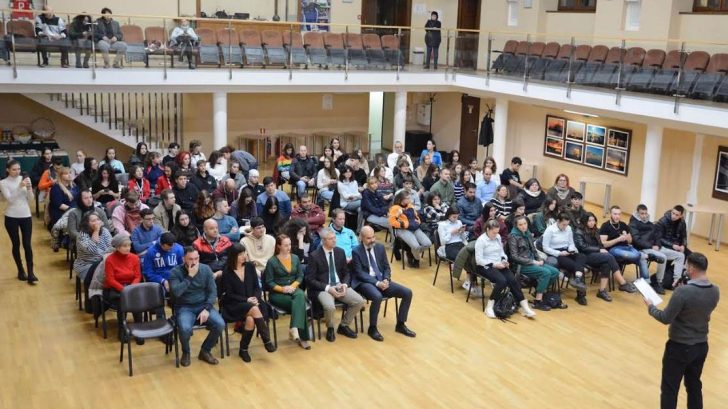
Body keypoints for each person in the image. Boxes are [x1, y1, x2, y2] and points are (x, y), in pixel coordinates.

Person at [644, 252, 719, 409]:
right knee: (694, 386)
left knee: (670, 389)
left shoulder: (683, 292)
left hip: (679, 347)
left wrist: (651, 307)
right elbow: (698, 309)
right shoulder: (715, 290)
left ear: (691, 268)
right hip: (701, 346)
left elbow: (665, 318)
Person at [351, 226, 416, 341]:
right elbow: (359, 273)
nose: (372, 240)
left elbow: (386, 267)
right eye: (368, 238)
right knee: (377, 297)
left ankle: (400, 324)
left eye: (373, 237)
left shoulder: (380, 247)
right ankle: (372, 328)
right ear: (361, 238)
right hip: (365, 282)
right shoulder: (356, 251)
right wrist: (377, 283)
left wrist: (386, 279)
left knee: (407, 292)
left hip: (381, 279)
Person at [305, 227, 366, 342]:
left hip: (339, 285)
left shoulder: (340, 252)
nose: (334, 240)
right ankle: (330, 328)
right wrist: (328, 288)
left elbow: (346, 272)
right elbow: (310, 279)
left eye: (334, 238)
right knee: (330, 307)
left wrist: (345, 284)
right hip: (323, 288)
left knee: (359, 301)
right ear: (323, 241)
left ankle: (344, 325)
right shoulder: (314, 255)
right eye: (331, 239)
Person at [219, 243, 276, 362]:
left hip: (252, 301)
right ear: (233, 256)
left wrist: (255, 298)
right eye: (240, 254)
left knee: (250, 319)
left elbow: (257, 287)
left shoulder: (250, 266)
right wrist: (247, 300)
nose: (244, 256)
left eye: (244, 253)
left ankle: (243, 349)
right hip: (234, 304)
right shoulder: (227, 272)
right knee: (254, 309)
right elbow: (229, 294)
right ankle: (267, 340)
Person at [169, 246, 225, 366]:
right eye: (190, 259)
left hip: (203, 305)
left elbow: (213, 291)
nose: (194, 262)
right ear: (183, 259)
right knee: (185, 329)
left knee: (220, 324)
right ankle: (186, 352)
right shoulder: (175, 272)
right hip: (184, 307)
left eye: (196, 258)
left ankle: (205, 350)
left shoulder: (206, 269)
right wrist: (190, 277)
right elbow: (176, 292)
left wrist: (207, 308)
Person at [475, 219, 535, 319]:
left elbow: (501, 252)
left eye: (497, 232)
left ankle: (525, 307)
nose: (496, 235)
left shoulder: (498, 237)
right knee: (501, 281)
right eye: (494, 233)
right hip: (485, 266)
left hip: (499, 263)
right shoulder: (481, 240)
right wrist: (495, 264)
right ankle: (489, 306)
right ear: (488, 229)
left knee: (513, 280)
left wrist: (504, 259)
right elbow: (479, 260)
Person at [264, 234, 312, 350]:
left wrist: (292, 286)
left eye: (290, 244)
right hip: (277, 294)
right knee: (300, 304)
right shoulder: (272, 261)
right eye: (286, 245)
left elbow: (300, 276)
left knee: (300, 296)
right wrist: (283, 289)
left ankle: (294, 328)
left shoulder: (295, 258)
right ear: (279, 246)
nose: (289, 247)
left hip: (294, 289)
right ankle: (302, 337)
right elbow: (269, 282)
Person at [508, 216, 560, 311]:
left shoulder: (527, 233)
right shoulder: (513, 236)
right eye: (520, 224)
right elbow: (514, 257)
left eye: (525, 224)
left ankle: (538, 290)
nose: (523, 226)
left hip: (533, 261)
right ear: (516, 226)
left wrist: (539, 259)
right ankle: (538, 301)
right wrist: (533, 261)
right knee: (546, 273)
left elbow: (533, 250)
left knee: (555, 272)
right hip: (521, 265)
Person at [1, 160, 37, 283]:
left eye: (18, 169)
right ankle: (21, 270)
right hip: (11, 216)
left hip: (26, 215)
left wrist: (29, 188)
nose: (17, 172)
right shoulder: (3, 183)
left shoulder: (25, 179)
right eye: (14, 169)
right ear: (8, 170)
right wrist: (19, 187)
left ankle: (31, 273)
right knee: (16, 244)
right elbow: (10, 200)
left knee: (27, 244)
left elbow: (30, 199)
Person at [542, 213, 589, 305]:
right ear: (558, 221)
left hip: (567, 251)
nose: (565, 227)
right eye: (563, 225)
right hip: (556, 253)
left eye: (567, 224)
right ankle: (581, 295)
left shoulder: (568, 228)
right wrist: (559, 253)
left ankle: (577, 279)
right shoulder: (550, 230)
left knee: (582, 256)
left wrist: (571, 249)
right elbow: (545, 248)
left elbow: (571, 243)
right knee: (578, 267)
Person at [103, 233, 142, 341]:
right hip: (115, 288)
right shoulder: (110, 259)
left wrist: (131, 288)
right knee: (122, 302)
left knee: (137, 301)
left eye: (129, 245)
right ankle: (122, 330)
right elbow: (110, 280)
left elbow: (137, 276)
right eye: (125, 246)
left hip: (131, 286)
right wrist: (124, 290)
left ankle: (139, 330)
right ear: (117, 247)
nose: (128, 248)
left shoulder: (134, 258)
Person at [599, 206, 649, 281]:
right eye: (615, 214)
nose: (617, 216)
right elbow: (603, 244)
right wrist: (617, 239)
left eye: (619, 214)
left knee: (642, 259)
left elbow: (630, 241)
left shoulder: (623, 225)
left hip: (627, 247)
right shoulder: (605, 226)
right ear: (610, 214)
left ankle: (646, 283)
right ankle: (640, 254)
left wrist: (626, 236)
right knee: (640, 256)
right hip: (614, 249)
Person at [630, 204, 669, 294]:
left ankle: (675, 279)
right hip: (643, 249)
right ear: (637, 213)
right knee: (663, 257)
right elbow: (637, 240)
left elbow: (657, 237)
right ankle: (659, 282)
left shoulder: (651, 224)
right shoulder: (633, 224)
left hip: (654, 248)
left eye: (645, 213)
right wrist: (651, 247)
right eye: (642, 213)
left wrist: (657, 245)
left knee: (680, 255)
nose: (644, 216)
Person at [389, 190, 432, 267]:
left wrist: (418, 221)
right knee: (415, 246)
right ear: (402, 199)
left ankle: (411, 252)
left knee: (428, 243)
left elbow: (416, 216)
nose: (410, 200)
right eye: (408, 198)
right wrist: (404, 223)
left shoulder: (410, 205)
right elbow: (392, 222)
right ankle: (416, 259)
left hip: (414, 227)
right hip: (403, 229)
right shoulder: (394, 208)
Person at [655, 205, 691, 290]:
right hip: (665, 245)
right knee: (681, 256)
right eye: (673, 213)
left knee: (690, 256)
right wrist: (672, 245)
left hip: (676, 245)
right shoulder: (663, 221)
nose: (674, 216)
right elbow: (659, 238)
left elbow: (684, 236)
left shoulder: (682, 222)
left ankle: (679, 276)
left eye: (677, 215)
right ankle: (671, 278)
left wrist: (683, 245)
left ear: (681, 216)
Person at [73, 212, 112, 284]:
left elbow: (111, 247)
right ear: (87, 224)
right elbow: (92, 250)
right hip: (86, 265)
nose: (97, 222)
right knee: (105, 279)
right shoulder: (82, 235)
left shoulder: (104, 231)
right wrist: (96, 231)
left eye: (98, 219)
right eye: (93, 221)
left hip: (103, 262)